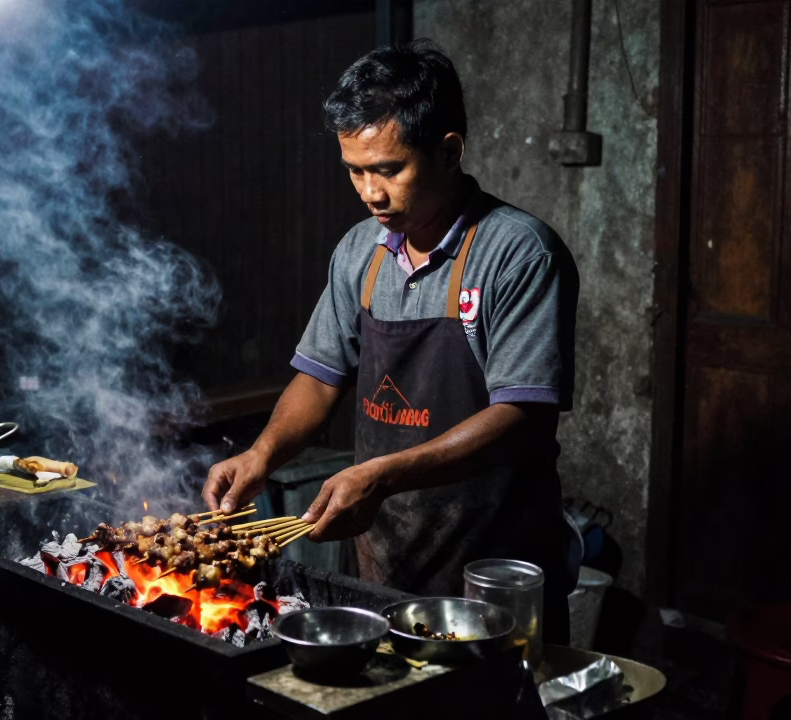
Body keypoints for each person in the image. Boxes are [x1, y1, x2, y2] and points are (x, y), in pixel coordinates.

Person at [203, 40, 580, 640]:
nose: (370, 193)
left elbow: (524, 414)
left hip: (490, 569)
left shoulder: (518, 253)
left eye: (389, 170)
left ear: (449, 151)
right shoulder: (360, 252)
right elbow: (320, 376)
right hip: (384, 559)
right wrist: (261, 454)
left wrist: (379, 476)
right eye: (355, 170)